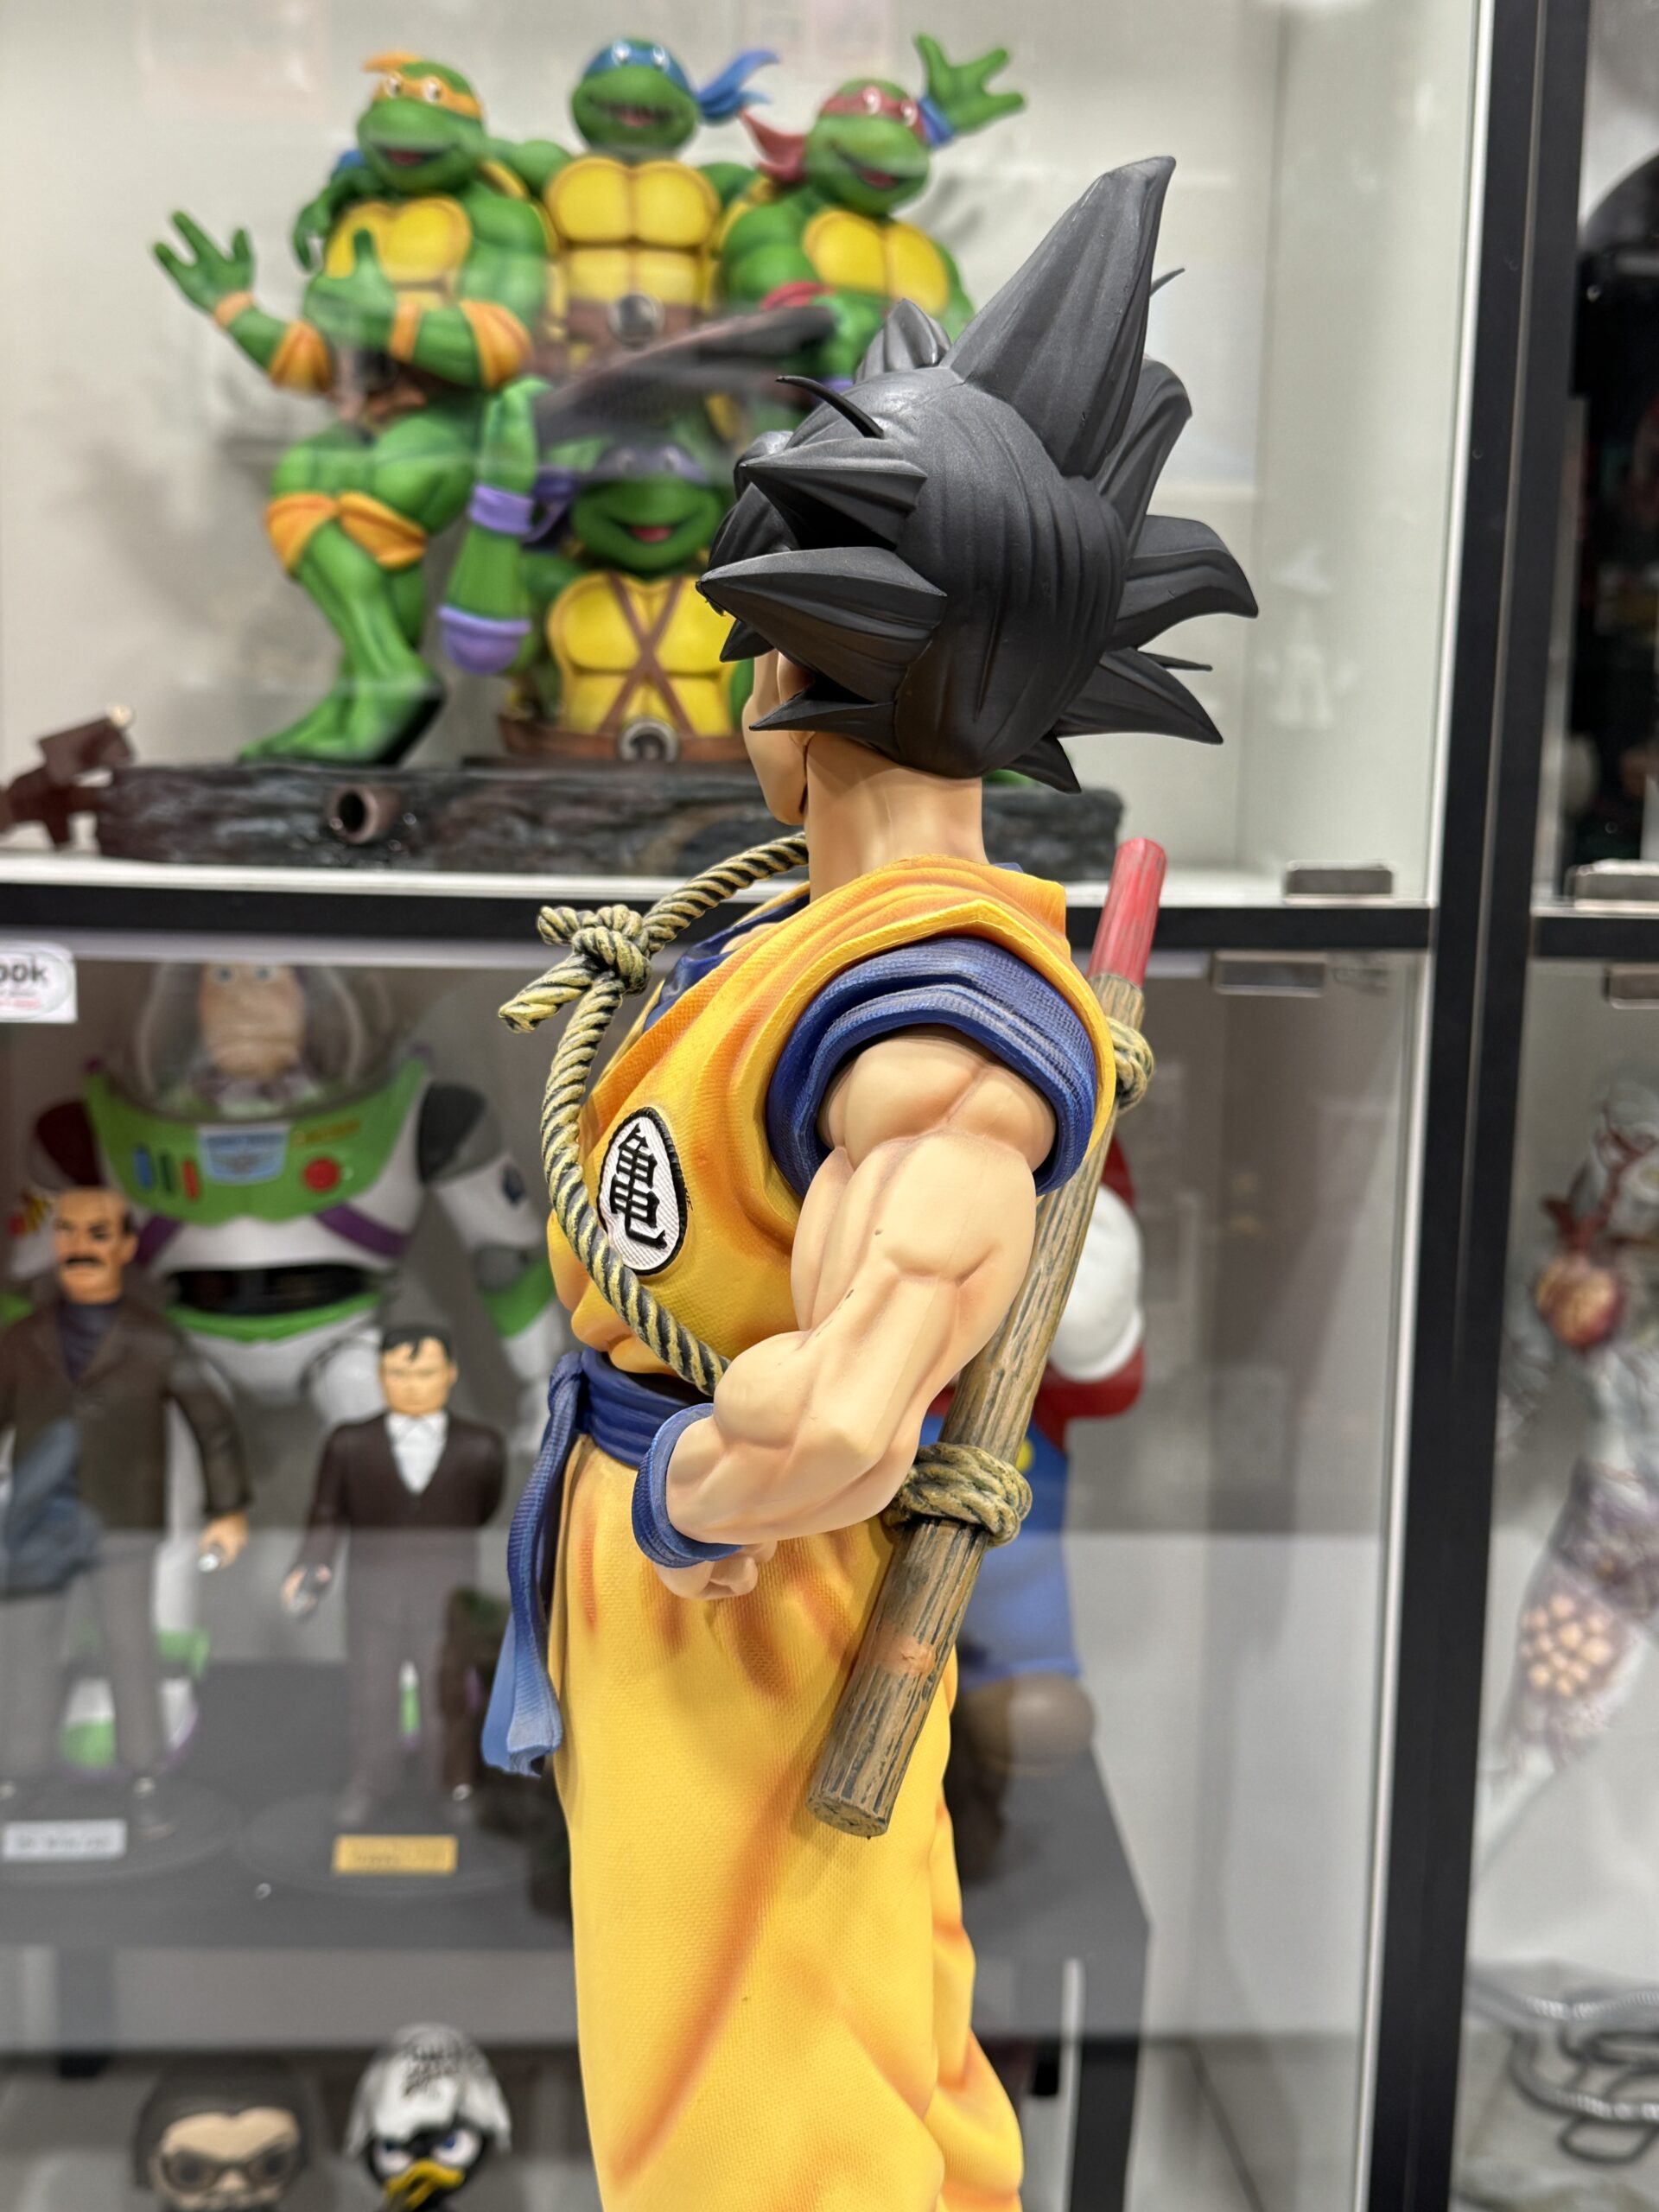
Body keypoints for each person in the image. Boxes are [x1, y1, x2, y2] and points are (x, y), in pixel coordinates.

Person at [485, 161, 1253, 2209]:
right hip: (666, 1595)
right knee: (782, 2060)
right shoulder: (807, 942)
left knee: (764, 2115)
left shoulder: (931, 1026)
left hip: (740, 1612)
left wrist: (684, 1487)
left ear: (783, 666)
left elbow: (838, 1419)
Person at [0, 1188, 248, 1831]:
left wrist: (228, 1509)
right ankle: (18, 1775)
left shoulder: (154, 1339)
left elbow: (212, 1423)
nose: (81, 1246)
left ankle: (145, 1775)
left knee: (128, 1645)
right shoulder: (21, 1340)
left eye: (99, 1233)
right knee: (26, 1647)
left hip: (123, 1520)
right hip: (37, 1522)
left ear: (127, 1245)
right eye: (69, 1231)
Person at [284, 1325, 504, 1827]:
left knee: (447, 1697)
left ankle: (452, 1784)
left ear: (450, 1374)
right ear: (381, 1376)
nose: (412, 1386)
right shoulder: (349, 1444)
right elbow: (326, 1514)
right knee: (371, 1695)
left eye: (425, 1373)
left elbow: (483, 1508)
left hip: (447, 1597)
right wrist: (311, 1565)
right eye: (398, 1373)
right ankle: (370, 1782)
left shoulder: (480, 1447)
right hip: (372, 1597)